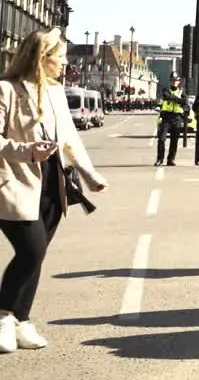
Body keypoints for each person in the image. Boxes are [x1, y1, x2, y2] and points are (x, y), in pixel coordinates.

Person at [1, 28, 108, 353]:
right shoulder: (6, 90)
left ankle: (22, 320)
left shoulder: (56, 93)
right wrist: (28, 151)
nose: (64, 62)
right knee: (30, 250)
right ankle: (4, 317)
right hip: (15, 182)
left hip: (52, 182)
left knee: (37, 256)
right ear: (40, 57)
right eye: (59, 56)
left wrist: (89, 176)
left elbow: (70, 140)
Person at [156, 74, 185, 167]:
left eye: (175, 80)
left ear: (178, 82)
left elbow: (184, 101)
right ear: (170, 81)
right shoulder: (166, 90)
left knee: (174, 140)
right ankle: (160, 159)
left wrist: (173, 98)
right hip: (166, 117)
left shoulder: (182, 92)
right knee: (161, 139)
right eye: (172, 80)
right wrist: (178, 100)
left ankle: (171, 159)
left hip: (176, 118)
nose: (174, 82)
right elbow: (166, 96)